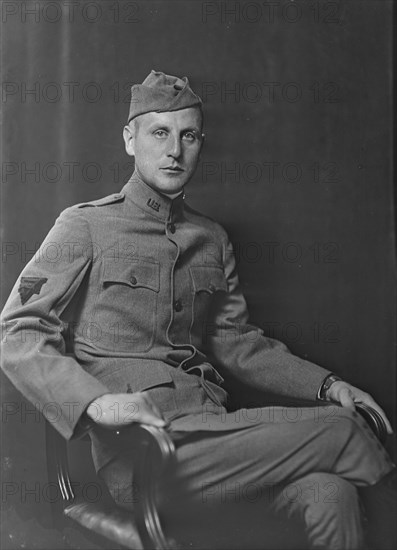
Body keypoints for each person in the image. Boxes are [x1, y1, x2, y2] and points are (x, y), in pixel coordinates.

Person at [1, 70, 396, 550]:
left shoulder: (211, 238)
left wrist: (330, 385)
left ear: (200, 143)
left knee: (332, 494)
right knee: (342, 431)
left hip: (221, 438)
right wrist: (95, 402)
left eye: (188, 135)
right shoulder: (85, 226)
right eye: (159, 132)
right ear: (130, 139)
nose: (174, 150)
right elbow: (18, 329)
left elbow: (238, 344)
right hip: (147, 454)